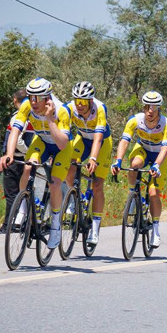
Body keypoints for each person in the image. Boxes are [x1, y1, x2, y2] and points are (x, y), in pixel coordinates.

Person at [0, 77, 73, 250]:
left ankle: (55, 225)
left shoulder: (62, 110)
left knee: (54, 184)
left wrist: (49, 119)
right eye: (31, 97)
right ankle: (23, 207)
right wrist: (9, 154)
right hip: (42, 141)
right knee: (27, 167)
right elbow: (15, 130)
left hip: (61, 147)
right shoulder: (27, 106)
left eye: (37, 98)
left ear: (47, 98)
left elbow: (62, 143)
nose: (33, 102)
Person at [112, 91, 167, 247]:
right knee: (134, 165)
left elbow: (165, 149)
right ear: (143, 107)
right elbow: (124, 141)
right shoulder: (135, 120)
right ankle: (133, 194)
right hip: (144, 149)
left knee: (153, 193)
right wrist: (118, 161)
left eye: (154, 107)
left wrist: (157, 165)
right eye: (147, 106)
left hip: (160, 155)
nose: (150, 110)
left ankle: (156, 230)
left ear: (159, 108)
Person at [65, 81, 112, 245]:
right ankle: (74, 198)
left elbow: (98, 138)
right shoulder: (69, 107)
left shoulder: (100, 108)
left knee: (97, 184)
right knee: (69, 165)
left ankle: (95, 229)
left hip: (102, 143)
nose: (79, 105)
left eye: (83, 102)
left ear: (91, 101)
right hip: (83, 139)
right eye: (77, 100)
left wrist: (93, 158)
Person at [0, 89, 33, 234]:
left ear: (14, 99)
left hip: (16, 160)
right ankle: (23, 223)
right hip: (27, 160)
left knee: (12, 194)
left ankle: (9, 225)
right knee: (26, 192)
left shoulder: (18, 117)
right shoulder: (33, 117)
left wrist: (27, 153)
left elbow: (17, 140)